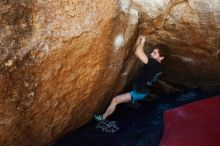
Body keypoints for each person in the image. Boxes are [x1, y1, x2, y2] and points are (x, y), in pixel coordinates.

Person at [94, 35, 166, 122]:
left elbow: (138, 53)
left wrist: (142, 41)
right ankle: (133, 102)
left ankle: (103, 117)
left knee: (115, 100)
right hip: (144, 91)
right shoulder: (160, 67)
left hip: (138, 93)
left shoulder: (154, 64)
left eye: (154, 53)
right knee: (134, 94)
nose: (151, 54)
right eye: (152, 52)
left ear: (161, 57)